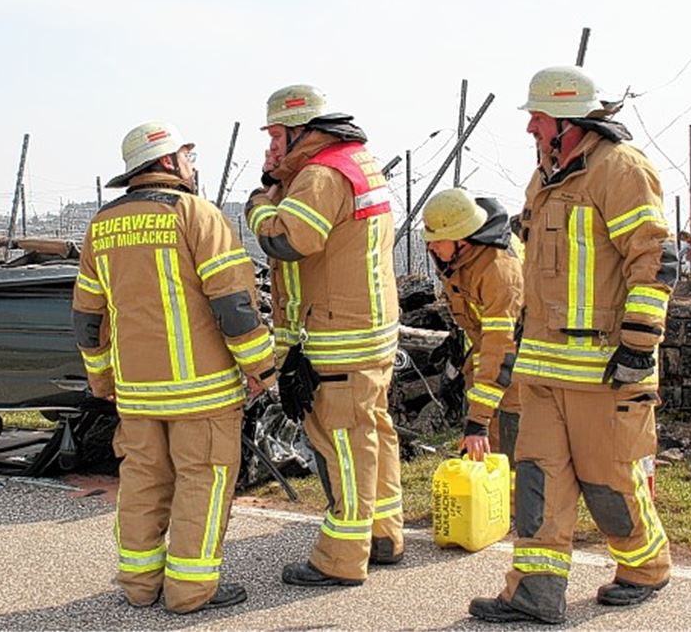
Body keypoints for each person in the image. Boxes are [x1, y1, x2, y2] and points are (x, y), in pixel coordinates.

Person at [469, 65, 678, 625]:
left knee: (609, 484)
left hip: (606, 370)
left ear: (566, 121)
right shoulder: (543, 180)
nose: (530, 128)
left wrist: (637, 346)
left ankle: (643, 567)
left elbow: (654, 259)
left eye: (537, 117)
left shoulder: (621, 170)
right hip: (542, 369)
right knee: (537, 483)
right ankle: (535, 592)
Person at [72, 121, 276, 614]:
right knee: (201, 484)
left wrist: (103, 380)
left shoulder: (103, 225)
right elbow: (234, 305)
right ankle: (190, 591)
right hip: (202, 393)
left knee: (142, 482)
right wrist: (261, 370)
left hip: (137, 393)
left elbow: (87, 318)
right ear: (168, 163)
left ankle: (140, 585)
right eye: (186, 157)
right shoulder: (197, 214)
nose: (192, 165)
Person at [244, 84, 403, 587]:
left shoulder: (320, 175)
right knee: (371, 434)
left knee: (342, 447)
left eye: (275, 136)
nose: (270, 147)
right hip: (367, 334)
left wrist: (257, 203)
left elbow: (289, 240)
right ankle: (383, 532)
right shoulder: (355, 161)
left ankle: (340, 557)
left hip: (337, 340)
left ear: (301, 131)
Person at [421, 188, 523, 465]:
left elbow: (500, 342)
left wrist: (478, 420)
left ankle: (512, 507)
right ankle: (486, 504)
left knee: (510, 450)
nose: (431, 247)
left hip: (518, 369)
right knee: (483, 449)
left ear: (462, 238)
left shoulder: (498, 271)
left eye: (437, 240)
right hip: (488, 362)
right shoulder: (458, 260)